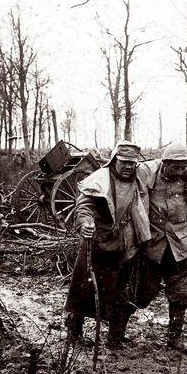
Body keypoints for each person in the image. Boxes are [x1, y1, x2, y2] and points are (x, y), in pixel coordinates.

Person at [64, 140, 151, 349]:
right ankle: (74, 333)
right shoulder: (99, 180)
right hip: (98, 244)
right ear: (114, 160)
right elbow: (84, 206)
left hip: (126, 245)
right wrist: (85, 223)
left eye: (133, 163)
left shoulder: (138, 180)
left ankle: (115, 338)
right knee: (83, 289)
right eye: (124, 162)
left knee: (123, 293)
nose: (129, 166)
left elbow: (162, 166)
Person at [137, 142, 187, 353]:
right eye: (175, 166)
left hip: (180, 248)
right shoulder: (150, 176)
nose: (180, 170)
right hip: (154, 246)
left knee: (181, 294)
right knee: (143, 293)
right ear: (165, 163)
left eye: (183, 166)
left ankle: (175, 337)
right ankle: (117, 332)